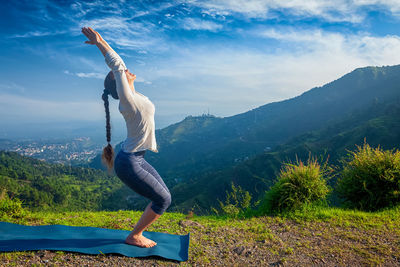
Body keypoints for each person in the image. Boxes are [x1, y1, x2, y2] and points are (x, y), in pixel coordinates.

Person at [81, 27, 171, 248]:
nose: (127, 69)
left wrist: (103, 42)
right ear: (118, 83)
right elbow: (117, 64)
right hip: (129, 162)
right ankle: (134, 236)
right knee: (163, 200)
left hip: (135, 158)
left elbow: (120, 66)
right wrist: (100, 43)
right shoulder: (127, 101)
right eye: (120, 74)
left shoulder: (134, 96)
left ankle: (137, 233)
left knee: (165, 195)